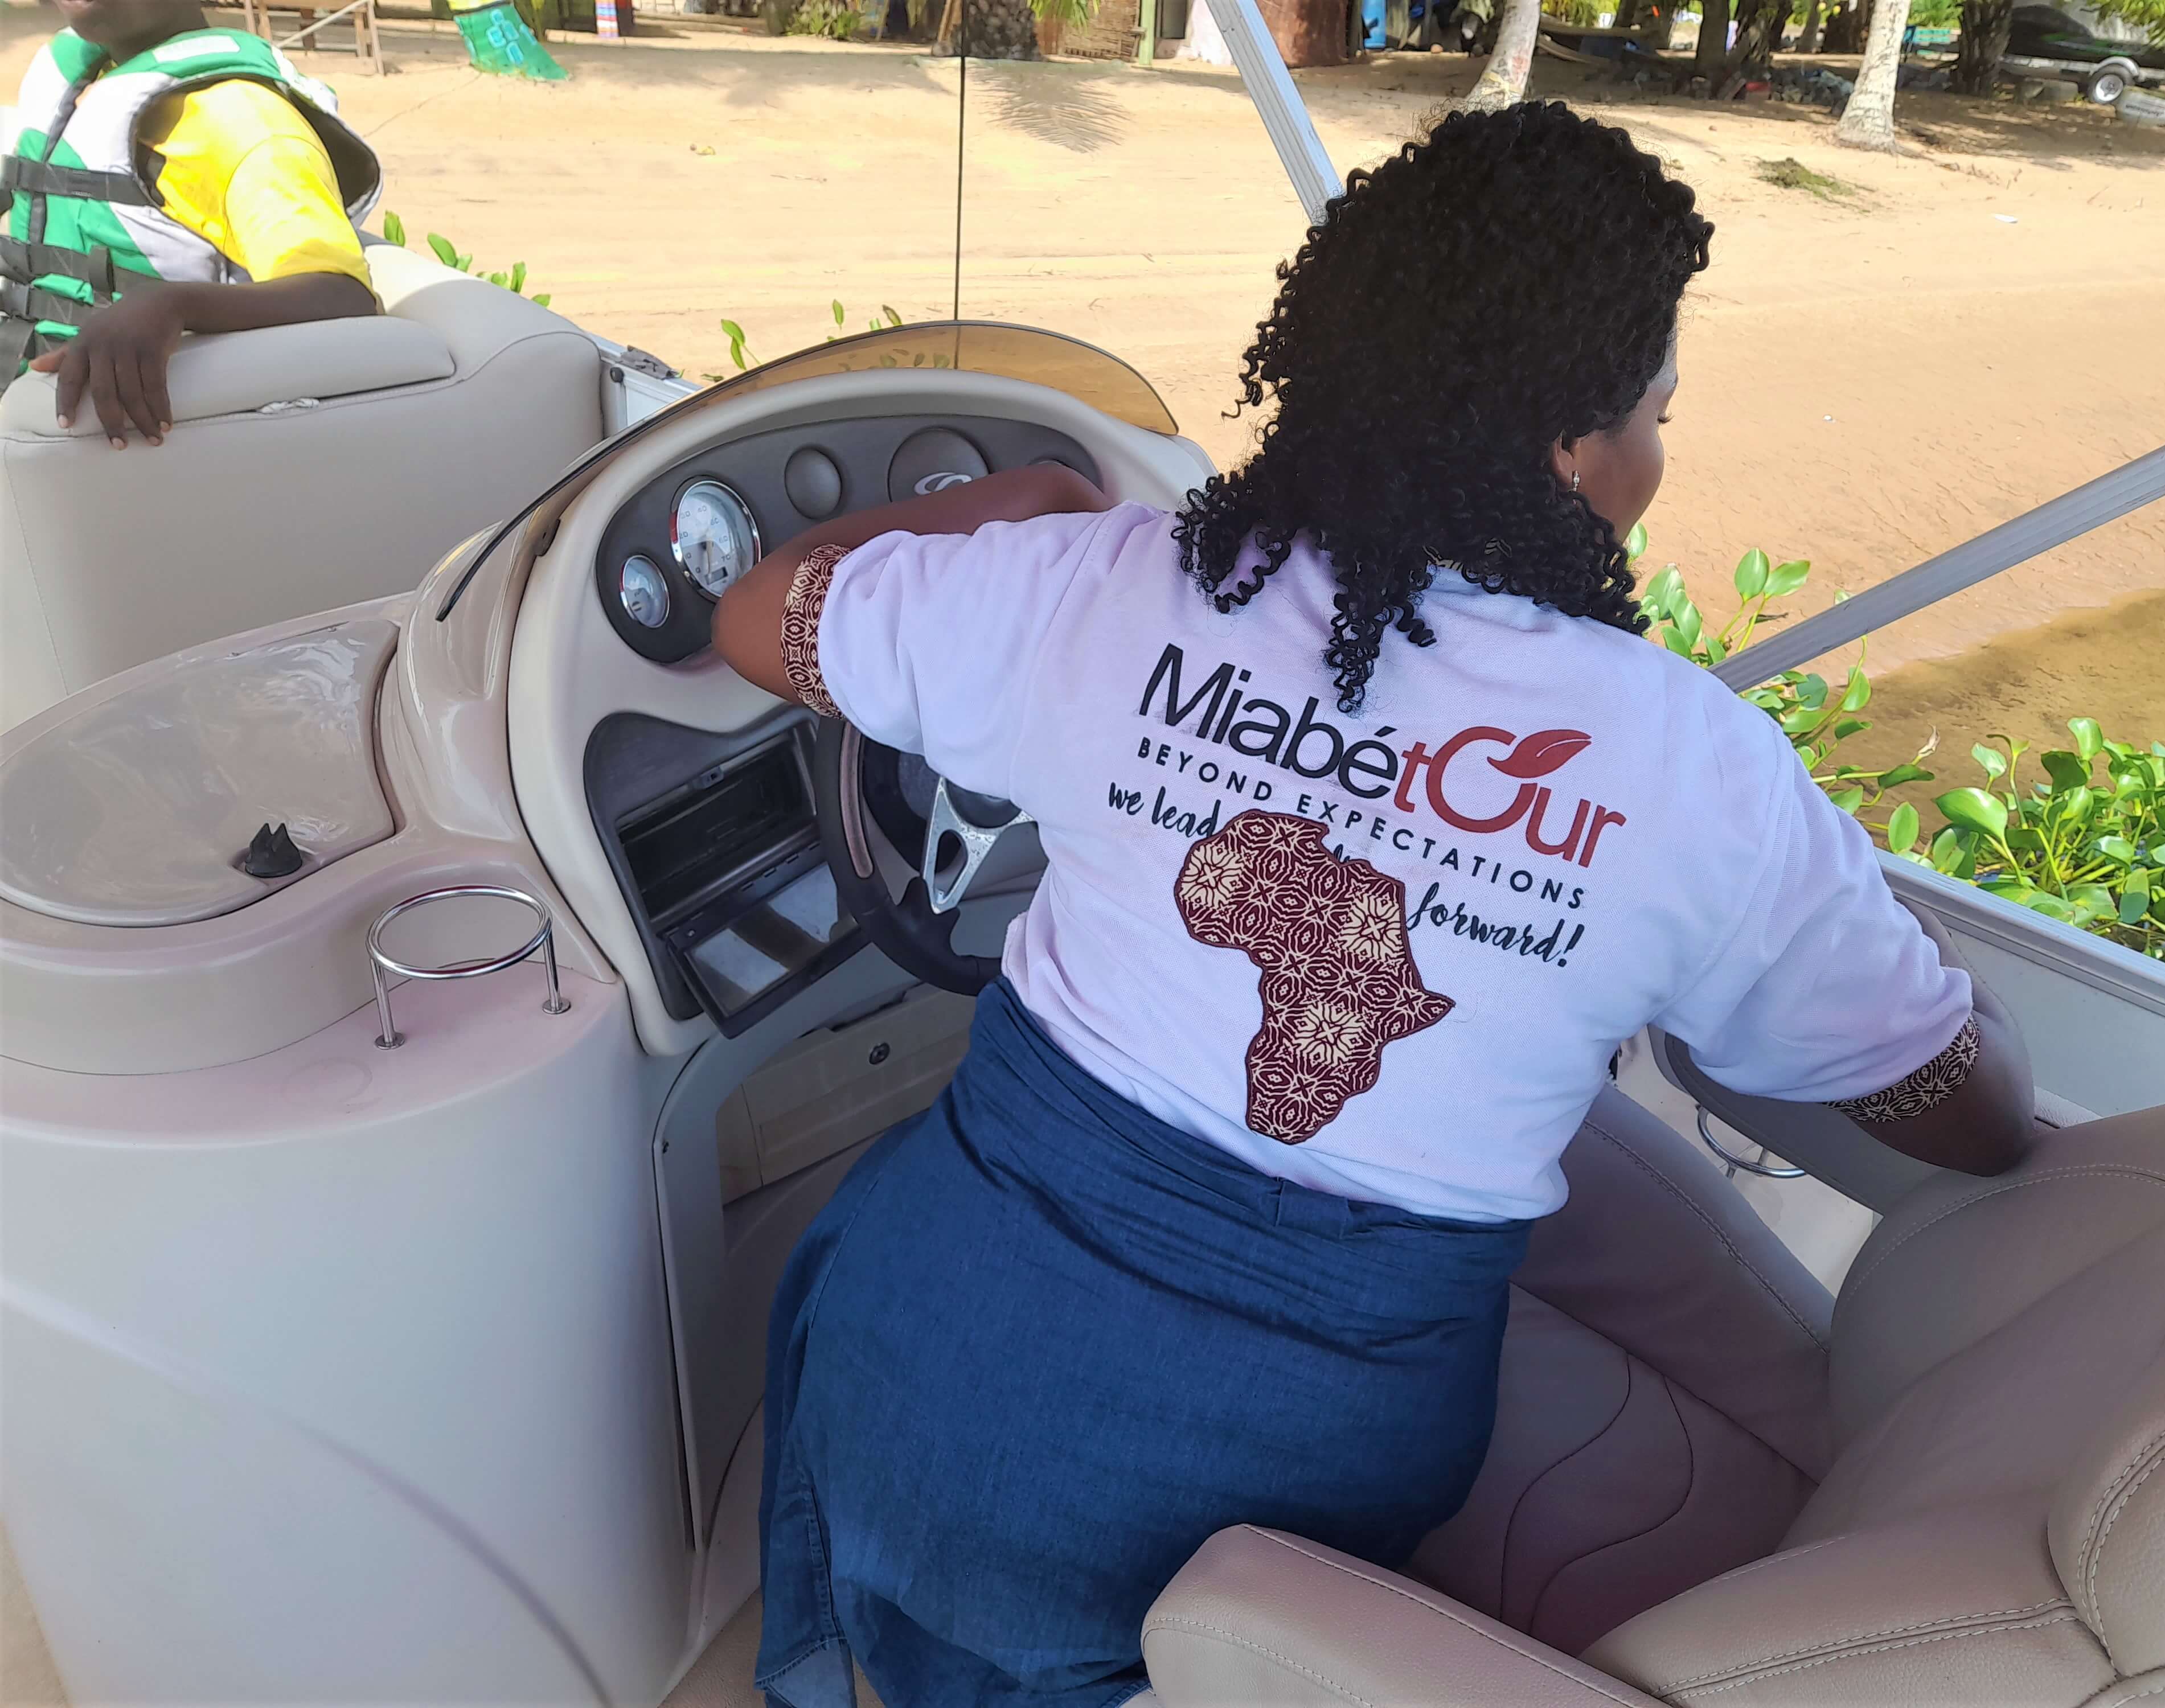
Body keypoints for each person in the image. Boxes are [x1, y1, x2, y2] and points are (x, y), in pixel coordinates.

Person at [714, 101, 2036, 1708]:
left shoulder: (1107, 578)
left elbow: (760, 613)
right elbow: (1964, 1110)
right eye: (1656, 414)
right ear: (1574, 450)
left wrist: (1036, 496)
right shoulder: (1702, 771)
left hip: (913, 1339)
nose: (1656, 453)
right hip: (1272, 1474)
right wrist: (1947, 1004)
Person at [3, 0, 383, 447]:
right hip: (21, 377)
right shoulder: (87, 72)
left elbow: (345, 297)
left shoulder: (243, 120)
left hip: (107, 437)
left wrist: (174, 305)